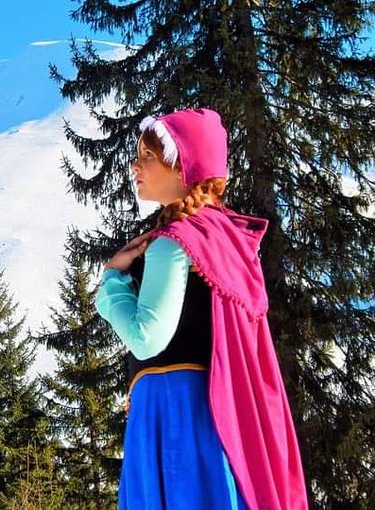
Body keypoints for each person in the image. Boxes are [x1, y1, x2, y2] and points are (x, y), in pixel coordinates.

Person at [95, 108, 308, 509]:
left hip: (172, 413)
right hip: (218, 416)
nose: (135, 166)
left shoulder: (174, 241)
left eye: (148, 157)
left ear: (183, 168)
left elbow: (146, 338)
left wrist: (110, 284)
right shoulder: (228, 240)